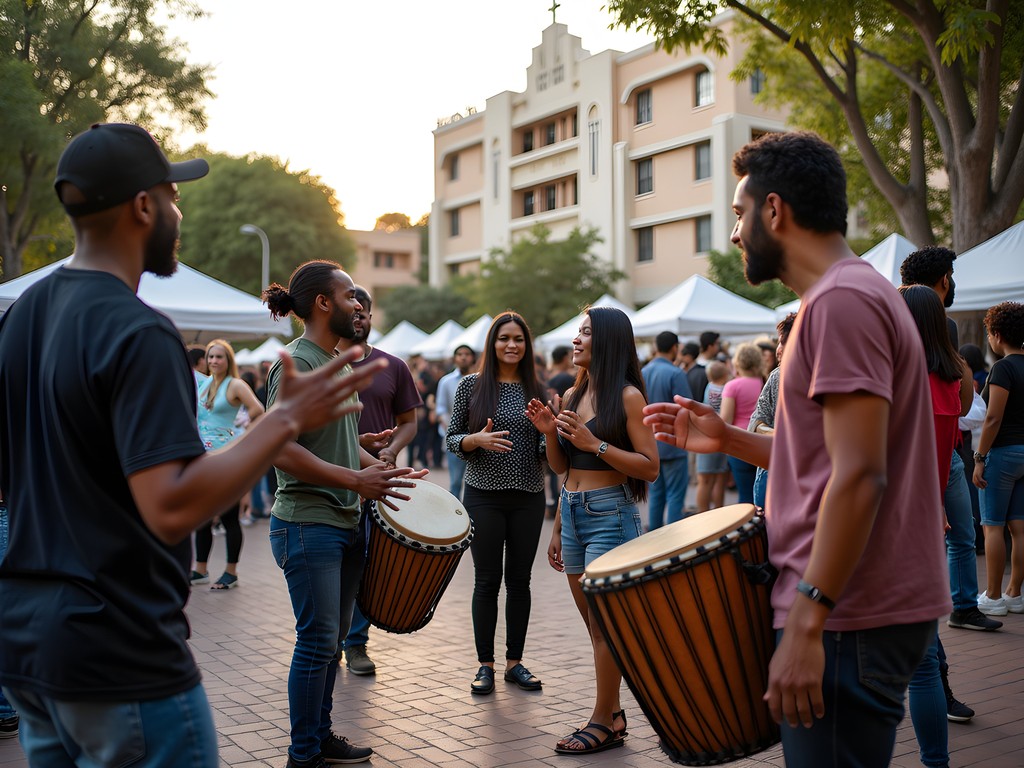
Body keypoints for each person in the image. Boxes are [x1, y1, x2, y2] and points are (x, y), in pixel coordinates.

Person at [0, 123, 383, 768]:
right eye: (173, 198)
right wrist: (281, 422)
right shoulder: (138, 331)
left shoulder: (20, 318)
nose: (179, 214)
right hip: (119, 650)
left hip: (31, 645)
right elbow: (171, 506)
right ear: (143, 207)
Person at [643, 131, 949, 767]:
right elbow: (832, 456)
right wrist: (728, 438)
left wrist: (809, 618)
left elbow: (861, 475)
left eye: (737, 214)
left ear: (774, 211)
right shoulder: (847, 295)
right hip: (849, 608)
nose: (733, 234)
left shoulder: (840, 302)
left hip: (847, 613)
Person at [526, 306, 658, 755]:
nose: (576, 340)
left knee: (606, 626)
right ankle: (614, 715)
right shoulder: (573, 392)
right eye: (577, 332)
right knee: (595, 628)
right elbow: (564, 467)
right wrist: (549, 434)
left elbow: (651, 468)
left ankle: (603, 720)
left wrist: (594, 442)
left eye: (585, 332)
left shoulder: (628, 397)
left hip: (611, 515)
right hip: (574, 513)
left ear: (608, 340)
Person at [445, 312, 548, 696]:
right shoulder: (470, 386)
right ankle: (484, 665)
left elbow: (545, 450)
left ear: (526, 345)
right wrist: (476, 441)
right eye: (504, 338)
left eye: (518, 339)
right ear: (493, 343)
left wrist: (548, 434)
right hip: (483, 496)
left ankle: (514, 663)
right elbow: (452, 440)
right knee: (486, 581)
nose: (511, 345)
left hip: (528, 496)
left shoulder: (537, 388)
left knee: (520, 582)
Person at [899, 246, 1001, 632]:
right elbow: (958, 404)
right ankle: (949, 608)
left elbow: (955, 402)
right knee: (956, 534)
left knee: (957, 532)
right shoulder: (945, 326)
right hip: (933, 451)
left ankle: (955, 608)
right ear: (945, 279)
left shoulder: (893, 323)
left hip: (942, 450)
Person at [898, 284, 975, 768]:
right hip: (929, 509)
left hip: (892, 517)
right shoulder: (951, 380)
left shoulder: (894, 380)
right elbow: (962, 418)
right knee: (923, 657)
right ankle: (936, 761)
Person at [339, 285, 422, 677]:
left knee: (366, 564)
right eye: (351, 310)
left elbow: (409, 423)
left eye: (363, 312)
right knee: (329, 564)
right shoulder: (316, 364)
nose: (358, 317)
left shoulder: (394, 366)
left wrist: (390, 453)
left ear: (371, 317)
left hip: (378, 485)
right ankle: (327, 639)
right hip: (327, 483)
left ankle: (355, 643)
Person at [190, 339, 266, 589]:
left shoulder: (236, 385)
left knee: (229, 517)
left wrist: (244, 433)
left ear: (228, 360)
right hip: (203, 459)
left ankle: (230, 572)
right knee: (201, 517)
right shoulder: (204, 384)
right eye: (210, 357)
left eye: (219, 357)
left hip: (227, 459)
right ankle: (200, 570)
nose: (213, 361)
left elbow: (258, 409)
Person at [973, 301, 1024, 616]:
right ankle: (1015, 593)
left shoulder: (1003, 369)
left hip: (1003, 453)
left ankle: (992, 597)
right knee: (1019, 527)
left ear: (997, 334)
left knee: (992, 526)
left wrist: (980, 456)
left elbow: (993, 418)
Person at [641, 330, 692, 529]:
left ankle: (655, 538)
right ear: (674, 348)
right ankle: (673, 541)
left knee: (656, 494)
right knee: (675, 495)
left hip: (649, 442)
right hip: (673, 441)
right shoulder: (675, 372)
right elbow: (687, 407)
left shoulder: (643, 373)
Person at [748, 313, 797, 508]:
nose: (778, 350)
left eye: (783, 343)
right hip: (775, 469)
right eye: (778, 343)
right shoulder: (778, 377)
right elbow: (755, 423)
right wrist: (782, 436)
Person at [720, 342, 764, 504]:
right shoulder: (765, 382)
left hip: (739, 444)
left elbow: (726, 419)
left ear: (737, 362)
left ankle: (748, 527)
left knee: (745, 496)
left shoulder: (732, 386)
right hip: (763, 441)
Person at [436, 344, 477, 500]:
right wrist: (451, 428)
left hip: (479, 438)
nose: (463, 357)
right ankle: (456, 519)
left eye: (467, 354)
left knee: (475, 482)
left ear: (473, 357)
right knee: (455, 482)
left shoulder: (482, 381)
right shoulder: (446, 382)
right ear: (455, 358)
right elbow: (441, 408)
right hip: (455, 438)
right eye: (460, 354)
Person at [695, 360, 731, 513]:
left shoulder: (709, 387)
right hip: (723, 435)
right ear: (725, 374)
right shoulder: (728, 389)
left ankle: (702, 513)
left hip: (705, 434)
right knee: (720, 478)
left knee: (704, 480)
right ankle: (719, 512)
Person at [685, 331, 720, 407]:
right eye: (717, 344)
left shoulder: (693, 366)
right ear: (710, 346)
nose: (718, 347)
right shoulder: (708, 367)